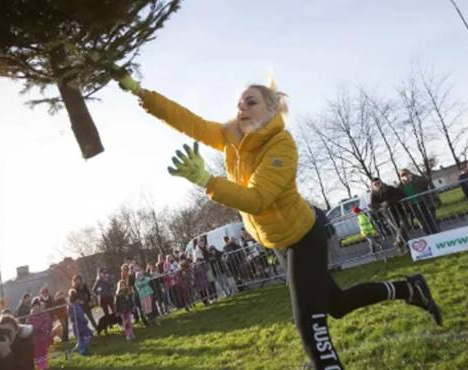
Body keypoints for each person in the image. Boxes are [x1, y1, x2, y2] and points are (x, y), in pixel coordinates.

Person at [116, 74, 442, 369]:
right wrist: (142, 93)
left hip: (303, 237)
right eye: (238, 103)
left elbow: (258, 199)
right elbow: (191, 122)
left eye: (250, 101)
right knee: (337, 305)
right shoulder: (232, 136)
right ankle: (408, 288)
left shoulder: (281, 145)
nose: (241, 107)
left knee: (310, 328)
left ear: (272, 110)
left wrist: (207, 181)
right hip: (279, 242)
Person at [369, 178, 410, 252]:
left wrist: (388, 202)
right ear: (372, 186)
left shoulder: (389, 188)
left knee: (405, 226)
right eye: (375, 184)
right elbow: (373, 205)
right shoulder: (373, 194)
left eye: (378, 183)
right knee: (398, 229)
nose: (377, 185)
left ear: (381, 182)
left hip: (399, 210)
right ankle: (406, 247)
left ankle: (399, 242)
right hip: (388, 214)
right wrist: (381, 205)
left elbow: (401, 194)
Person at [398, 169, 440, 235]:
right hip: (413, 206)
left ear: (410, 173)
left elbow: (426, 181)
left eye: (406, 174)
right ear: (400, 177)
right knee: (422, 223)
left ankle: (437, 234)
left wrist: (413, 179)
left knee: (431, 220)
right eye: (403, 175)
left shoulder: (416, 179)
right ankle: (428, 236)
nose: (405, 176)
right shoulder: (400, 186)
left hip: (424, 203)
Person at [27, 297, 52, 370]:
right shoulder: (30, 316)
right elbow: (29, 324)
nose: (36, 309)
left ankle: (45, 366)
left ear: (39, 306)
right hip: (35, 338)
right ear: (32, 307)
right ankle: (40, 366)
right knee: (37, 353)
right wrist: (34, 329)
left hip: (43, 337)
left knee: (43, 351)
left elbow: (47, 321)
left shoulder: (44, 313)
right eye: (34, 307)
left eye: (37, 307)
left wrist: (42, 328)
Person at [68, 289, 92, 355]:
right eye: (78, 299)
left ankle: (82, 349)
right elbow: (79, 315)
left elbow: (71, 316)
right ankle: (83, 348)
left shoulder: (71, 306)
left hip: (76, 326)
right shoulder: (76, 307)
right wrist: (85, 321)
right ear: (76, 300)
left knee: (80, 338)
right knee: (88, 334)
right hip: (81, 325)